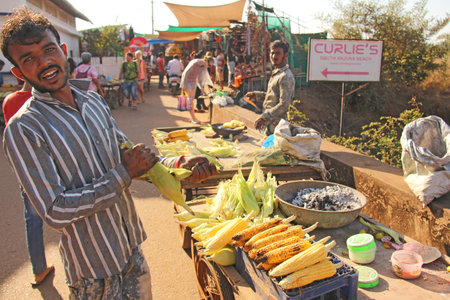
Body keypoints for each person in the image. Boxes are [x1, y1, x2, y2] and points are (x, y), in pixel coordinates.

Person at [0, 8, 217, 299]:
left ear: (63, 51)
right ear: (18, 72)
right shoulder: (24, 128)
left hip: (132, 251)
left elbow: (130, 156)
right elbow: (54, 211)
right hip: (93, 272)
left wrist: (178, 164)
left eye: (49, 50)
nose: (45, 62)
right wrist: (121, 175)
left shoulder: (93, 102)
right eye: (29, 59)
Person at [2, 80, 55, 286]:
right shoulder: (46, 102)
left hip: (27, 173)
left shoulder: (9, 102)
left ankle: (39, 270)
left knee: (33, 221)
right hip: (54, 170)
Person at [245, 40, 295, 135]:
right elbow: (273, 96)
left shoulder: (285, 76)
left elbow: (284, 104)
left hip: (276, 126)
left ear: (285, 55)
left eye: (278, 53)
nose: (274, 56)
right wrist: (257, 95)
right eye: (272, 53)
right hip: (268, 124)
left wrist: (264, 117)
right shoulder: (277, 73)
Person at [180, 51, 213, 124]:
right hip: (187, 82)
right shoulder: (196, 62)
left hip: (193, 82)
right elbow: (186, 73)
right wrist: (184, 85)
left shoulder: (203, 67)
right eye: (209, 65)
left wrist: (201, 88)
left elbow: (201, 78)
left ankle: (193, 117)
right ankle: (193, 118)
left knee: (191, 100)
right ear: (206, 61)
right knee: (190, 100)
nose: (209, 67)